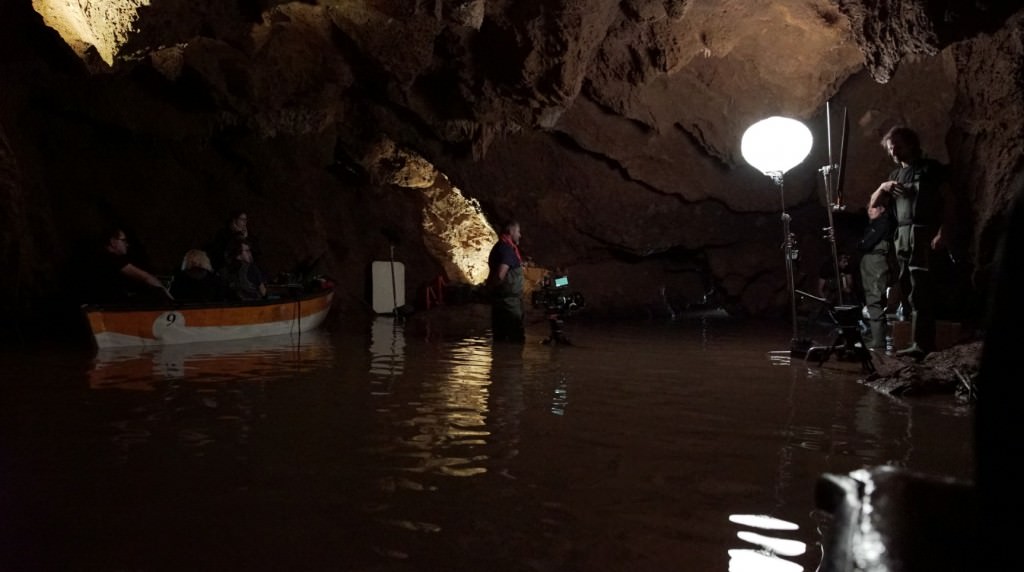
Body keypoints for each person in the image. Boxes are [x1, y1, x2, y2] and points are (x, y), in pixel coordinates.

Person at [869, 126, 955, 358]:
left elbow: (949, 202)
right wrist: (882, 187)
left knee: (921, 289)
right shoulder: (894, 177)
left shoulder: (932, 169)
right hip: (902, 236)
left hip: (924, 233)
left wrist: (943, 232)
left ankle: (922, 344)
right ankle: (911, 340)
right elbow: (873, 209)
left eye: (898, 145)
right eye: (890, 148)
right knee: (906, 287)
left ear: (911, 143)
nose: (894, 150)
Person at [89, 228, 173, 304]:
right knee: (158, 294)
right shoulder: (111, 258)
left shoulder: (101, 258)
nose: (127, 244)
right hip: (112, 304)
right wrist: (165, 292)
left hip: (108, 302)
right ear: (113, 242)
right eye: (123, 240)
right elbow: (145, 277)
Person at [857, 197, 897, 350]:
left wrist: (862, 244)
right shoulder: (875, 225)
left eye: (873, 207)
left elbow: (865, 244)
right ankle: (876, 337)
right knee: (872, 299)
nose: (870, 210)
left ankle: (878, 341)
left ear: (882, 209)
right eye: (868, 208)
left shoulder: (882, 224)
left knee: (874, 300)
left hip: (876, 261)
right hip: (871, 261)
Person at [486, 220, 525, 343]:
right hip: (509, 304)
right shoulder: (507, 250)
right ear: (511, 231)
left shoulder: (499, 247)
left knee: (500, 338)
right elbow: (500, 275)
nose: (520, 235)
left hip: (502, 301)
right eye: (518, 231)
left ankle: (501, 361)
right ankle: (512, 361)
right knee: (515, 339)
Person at [219, 236, 266, 300]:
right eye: (247, 251)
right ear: (238, 255)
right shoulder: (251, 268)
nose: (250, 253)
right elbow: (263, 292)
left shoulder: (223, 271)